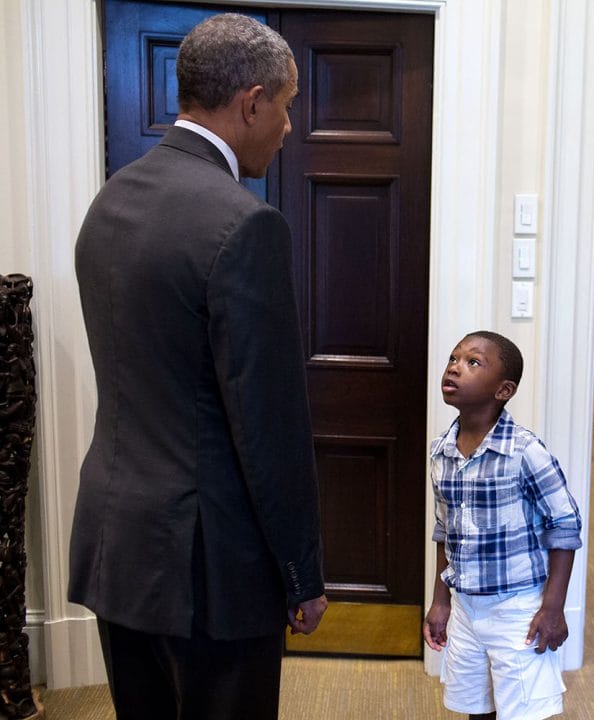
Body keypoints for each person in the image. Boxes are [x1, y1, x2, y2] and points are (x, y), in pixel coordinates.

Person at [67, 14, 327, 720]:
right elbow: (268, 424)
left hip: (118, 546)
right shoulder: (244, 223)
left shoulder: (111, 200)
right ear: (250, 101)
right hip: (211, 570)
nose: (289, 127)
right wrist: (303, 574)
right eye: (287, 104)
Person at [423, 331, 582, 720]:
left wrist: (554, 607)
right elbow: (445, 530)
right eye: (454, 358)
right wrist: (440, 601)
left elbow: (564, 527)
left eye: (473, 363)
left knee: (521, 710)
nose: (455, 367)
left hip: (517, 610)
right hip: (465, 608)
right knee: (476, 706)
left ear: (504, 389)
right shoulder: (440, 451)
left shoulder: (526, 452)